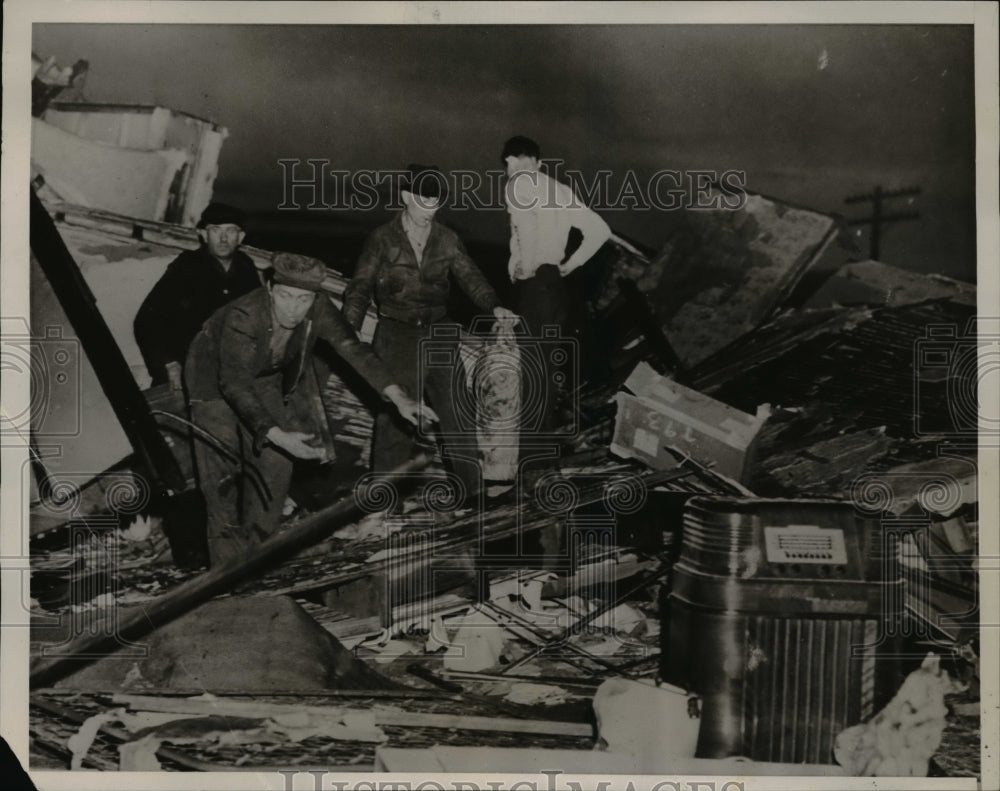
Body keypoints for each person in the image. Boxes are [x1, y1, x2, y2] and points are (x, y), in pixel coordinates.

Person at [184, 251, 434, 566]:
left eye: (303, 299)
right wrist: (276, 433)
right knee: (221, 478)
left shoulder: (317, 307)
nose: (294, 308)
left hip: (265, 375)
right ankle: (224, 570)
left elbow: (351, 347)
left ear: (314, 296)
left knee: (276, 464)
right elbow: (234, 385)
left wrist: (398, 396)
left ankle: (254, 559)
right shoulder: (244, 316)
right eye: (286, 297)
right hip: (212, 382)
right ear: (270, 286)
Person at [342, 164, 518, 506]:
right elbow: (360, 286)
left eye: (437, 201)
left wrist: (494, 306)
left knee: (457, 413)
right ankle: (384, 503)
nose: (432, 209)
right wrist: (349, 327)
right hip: (396, 333)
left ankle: (473, 496)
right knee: (394, 419)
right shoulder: (382, 237)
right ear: (407, 197)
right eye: (425, 200)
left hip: (439, 333)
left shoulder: (447, 239)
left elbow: (471, 277)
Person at [501, 135, 611, 479]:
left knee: (531, 372)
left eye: (515, 162)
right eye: (510, 164)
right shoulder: (559, 190)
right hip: (555, 288)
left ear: (532, 163)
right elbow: (600, 230)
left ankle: (529, 464)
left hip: (535, 287)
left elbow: (524, 230)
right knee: (545, 373)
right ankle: (541, 461)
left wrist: (526, 266)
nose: (513, 170)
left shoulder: (519, 184)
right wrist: (569, 265)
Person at [134, 202, 261, 390]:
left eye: (231, 231)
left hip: (229, 374)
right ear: (203, 234)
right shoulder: (187, 266)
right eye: (216, 230)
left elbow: (259, 317)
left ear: (240, 237)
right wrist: (168, 366)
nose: (224, 238)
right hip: (185, 372)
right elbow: (146, 321)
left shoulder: (246, 267)